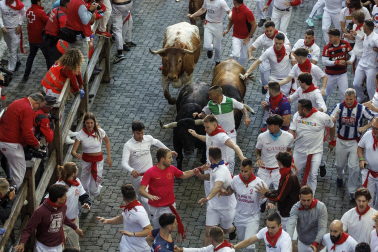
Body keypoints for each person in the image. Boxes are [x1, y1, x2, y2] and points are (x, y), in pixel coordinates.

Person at [139, 148, 198, 240]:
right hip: (155, 208)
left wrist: (199, 169)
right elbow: (141, 190)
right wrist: (150, 196)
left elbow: (184, 175)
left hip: (169, 206)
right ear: (162, 159)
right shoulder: (150, 172)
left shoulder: (172, 169)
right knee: (159, 231)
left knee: (168, 230)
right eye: (169, 157)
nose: (172, 159)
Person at [218, 158, 274, 252]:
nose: (243, 174)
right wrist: (226, 193)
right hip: (239, 217)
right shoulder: (236, 179)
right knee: (243, 242)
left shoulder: (259, 183)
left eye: (246, 171)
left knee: (250, 245)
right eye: (241, 171)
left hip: (252, 217)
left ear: (252, 170)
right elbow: (231, 189)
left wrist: (268, 200)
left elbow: (268, 194)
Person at [193, 86, 251, 175]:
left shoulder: (230, 101)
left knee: (231, 159)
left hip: (230, 134)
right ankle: (213, 175)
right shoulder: (211, 104)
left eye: (211, 95)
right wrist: (198, 115)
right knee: (211, 157)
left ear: (217, 95)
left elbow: (242, 107)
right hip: (215, 135)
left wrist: (246, 116)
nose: (209, 97)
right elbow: (204, 113)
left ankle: (229, 177)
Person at [328, 88, 374, 199]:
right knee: (339, 165)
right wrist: (332, 119)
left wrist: (365, 127)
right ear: (344, 97)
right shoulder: (339, 107)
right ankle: (340, 176)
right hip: (341, 140)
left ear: (355, 98)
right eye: (347, 99)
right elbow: (329, 117)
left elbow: (373, 118)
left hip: (355, 142)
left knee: (354, 167)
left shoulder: (361, 108)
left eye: (351, 99)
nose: (348, 101)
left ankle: (352, 190)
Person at [122, 121, 174, 214]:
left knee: (154, 196)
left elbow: (157, 142)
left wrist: (168, 150)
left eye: (142, 132)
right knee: (144, 199)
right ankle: (149, 216)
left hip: (151, 175)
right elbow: (124, 163)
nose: (141, 136)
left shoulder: (148, 139)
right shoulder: (128, 145)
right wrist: (132, 170)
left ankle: (153, 215)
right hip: (138, 178)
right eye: (138, 133)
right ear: (132, 132)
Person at [14, 184, 84, 252]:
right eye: (65, 195)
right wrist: (22, 243)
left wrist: (75, 228)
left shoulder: (63, 207)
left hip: (58, 245)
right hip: (43, 247)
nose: (66, 197)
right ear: (59, 199)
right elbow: (28, 229)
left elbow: (62, 217)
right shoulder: (40, 212)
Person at [289, 99, 334, 194]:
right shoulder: (297, 115)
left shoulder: (322, 117)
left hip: (315, 152)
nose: (297, 110)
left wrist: (332, 141)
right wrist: (290, 138)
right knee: (293, 173)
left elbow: (332, 125)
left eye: (299, 108)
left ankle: (310, 196)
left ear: (304, 110)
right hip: (299, 151)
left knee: (313, 175)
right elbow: (292, 129)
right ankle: (294, 192)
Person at [0, 93, 45, 187]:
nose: (38, 110)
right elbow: (27, 133)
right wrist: (36, 144)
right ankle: (15, 198)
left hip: (3, 139)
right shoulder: (28, 109)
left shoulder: (16, 102)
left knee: (13, 169)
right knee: (20, 173)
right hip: (12, 143)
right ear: (36, 103)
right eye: (39, 107)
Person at [195, 147, 237, 246]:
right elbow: (211, 177)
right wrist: (201, 176)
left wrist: (207, 198)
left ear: (210, 157)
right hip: (213, 207)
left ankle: (233, 228)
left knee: (225, 230)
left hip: (226, 208)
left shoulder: (221, 171)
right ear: (221, 156)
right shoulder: (214, 167)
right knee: (209, 234)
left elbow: (217, 186)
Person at [47, 162, 91, 249]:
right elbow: (46, 201)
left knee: (75, 247)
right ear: (73, 173)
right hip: (61, 224)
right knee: (59, 248)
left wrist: (86, 203)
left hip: (74, 221)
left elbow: (83, 196)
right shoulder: (58, 186)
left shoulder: (76, 182)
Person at [97, 184, 152, 252]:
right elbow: (121, 218)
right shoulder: (128, 208)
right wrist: (107, 221)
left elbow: (149, 230)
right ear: (135, 195)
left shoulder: (139, 213)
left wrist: (133, 234)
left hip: (140, 248)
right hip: (126, 246)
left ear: (123, 198)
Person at [71, 112, 112, 199]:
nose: (89, 125)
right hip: (86, 162)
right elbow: (73, 150)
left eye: (91, 123)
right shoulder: (80, 134)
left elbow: (107, 142)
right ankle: (86, 201)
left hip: (98, 162)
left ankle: (96, 192)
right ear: (84, 123)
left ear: (94, 122)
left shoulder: (100, 132)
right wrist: (75, 154)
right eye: (87, 123)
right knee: (83, 185)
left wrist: (109, 156)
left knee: (94, 187)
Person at [256, 151, 300, 230]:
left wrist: (266, 193)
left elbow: (278, 197)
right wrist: (268, 193)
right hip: (286, 212)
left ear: (279, 163)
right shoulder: (286, 174)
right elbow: (280, 190)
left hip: (288, 214)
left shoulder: (288, 177)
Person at [246, 21, 290, 94]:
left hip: (277, 58)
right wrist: (250, 56)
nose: (269, 33)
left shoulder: (281, 35)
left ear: (274, 28)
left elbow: (288, 46)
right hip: (266, 59)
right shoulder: (262, 38)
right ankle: (264, 85)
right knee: (265, 78)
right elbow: (250, 48)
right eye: (267, 31)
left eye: (270, 30)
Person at [255, 115, 294, 190]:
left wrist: (290, 162)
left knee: (281, 193)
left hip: (279, 171)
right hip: (264, 171)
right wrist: (258, 158)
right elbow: (257, 150)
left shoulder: (289, 137)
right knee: (260, 196)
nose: (268, 127)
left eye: (270, 125)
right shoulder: (262, 137)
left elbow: (289, 151)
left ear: (277, 126)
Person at [187, 0, 231, 66]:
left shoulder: (221, 2)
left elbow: (229, 11)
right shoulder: (206, 0)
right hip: (208, 25)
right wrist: (193, 15)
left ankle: (217, 61)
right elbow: (202, 9)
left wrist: (230, 15)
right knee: (206, 46)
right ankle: (210, 48)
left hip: (218, 26)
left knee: (217, 47)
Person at [286, 186, 328, 252]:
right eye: (304, 200)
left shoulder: (321, 207)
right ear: (299, 198)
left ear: (312, 197)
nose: (306, 203)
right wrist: (288, 242)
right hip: (302, 242)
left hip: (317, 242)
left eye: (308, 200)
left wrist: (316, 243)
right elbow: (291, 225)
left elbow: (322, 228)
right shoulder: (295, 208)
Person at [64, 0, 99, 74]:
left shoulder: (72, 1)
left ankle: (73, 79)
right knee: (83, 59)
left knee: (73, 58)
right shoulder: (80, 5)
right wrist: (90, 11)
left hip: (71, 34)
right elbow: (85, 21)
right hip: (78, 36)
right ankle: (80, 82)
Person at [322, 28, 355, 102]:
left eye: (331, 37)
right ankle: (322, 107)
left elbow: (353, 54)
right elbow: (324, 62)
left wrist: (351, 60)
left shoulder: (345, 44)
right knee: (326, 93)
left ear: (337, 37)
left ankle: (345, 108)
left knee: (344, 93)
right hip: (330, 74)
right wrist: (336, 62)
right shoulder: (327, 47)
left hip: (342, 73)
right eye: (329, 36)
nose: (329, 39)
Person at [223, 0, 257, 66]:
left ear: (234, 1)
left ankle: (240, 71)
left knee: (244, 57)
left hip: (246, 38)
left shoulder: (247, 12)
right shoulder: (234, 9)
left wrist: (248, 37)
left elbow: (254, 25)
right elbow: (232, 20)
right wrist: (227, 29)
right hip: (236, 36)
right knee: (236, 54)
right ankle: (233, 62)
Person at [23, 0, 49, 82]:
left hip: (32, 39)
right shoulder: (41, 12)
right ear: (38, 2)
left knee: (31, 56)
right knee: (48, 57)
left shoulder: (28, 11)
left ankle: (26, 75)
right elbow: (48, 21)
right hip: (40, 39)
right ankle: (50, 75)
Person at [353, 20, 378, 102]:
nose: (362, 27)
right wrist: (357, 35)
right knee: (356, 84)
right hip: (362, 63)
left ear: (366, 29)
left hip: (372, 66)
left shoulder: (375, 38)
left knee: (371, 87)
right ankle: (361, 96)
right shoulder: (366, 35)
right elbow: (364, 41)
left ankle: (373, 103)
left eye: (363, 26)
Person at [0, 0, 26, 72]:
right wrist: (2, 26)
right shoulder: (1, 4)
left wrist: (19, 25)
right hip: (6, 31)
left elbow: (24, 14)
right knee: (10, 48)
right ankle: (17, 62)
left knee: (13, 51)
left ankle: (10, 70)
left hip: (15, 31)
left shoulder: (20, 5)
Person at [358, 118, 378, 208]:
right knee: (367, 201)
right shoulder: (367, 135)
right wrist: (361, 159)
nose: (374, 131)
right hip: (369, 174)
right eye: (373, 128)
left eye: (377, 129)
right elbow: (360, 147)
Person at [43, 0, 70, 69]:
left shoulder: (55, 10)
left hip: (46, 37)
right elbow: (64, 32)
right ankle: (54, 77)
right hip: (53, 41)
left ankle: (49, 73)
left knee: (49, 60)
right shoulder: (62, 16)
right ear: (67, 5)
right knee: (55, 62)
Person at [342, 10, 365, 74]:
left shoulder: (365, 27)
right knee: (355, 70)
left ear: (357, 19)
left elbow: (366, 39)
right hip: (356, 51)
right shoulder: (354, 25)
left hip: (363, 52)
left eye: (353, 17)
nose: (352, 19)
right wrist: (347, 36)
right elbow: (353, 38)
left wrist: (356, 34)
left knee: (363, 71)